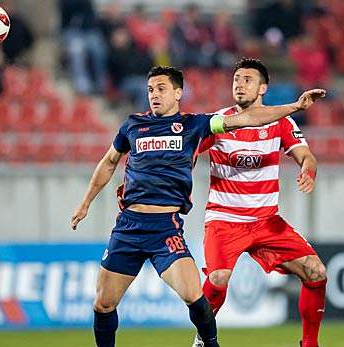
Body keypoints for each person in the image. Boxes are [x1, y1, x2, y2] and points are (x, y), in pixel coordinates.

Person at [70, 66, 325, 347]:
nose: (154, 95)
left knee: (197, 296)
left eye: (161, 89)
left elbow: (253, 120)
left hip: (180, 226)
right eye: (150, 90)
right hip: (143, 225)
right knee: (103, 304)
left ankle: (212, 344)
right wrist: (85, 203)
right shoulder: (133, 125)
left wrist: (295, 108)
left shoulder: (196, 125)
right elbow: (109, 162)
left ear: (178, 93)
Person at [193, 59, 326, 347]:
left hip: (267, 222)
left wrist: (308, 170)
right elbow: (189, 154)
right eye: (236, 79)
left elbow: (307, 156)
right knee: (217, 279)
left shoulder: (281, 122)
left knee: (316, 272)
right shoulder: (218, 122)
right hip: (224, 220)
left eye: (247, 80)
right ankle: (203, 338)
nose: (239, 84)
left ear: (263, 87)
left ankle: (309, 344)